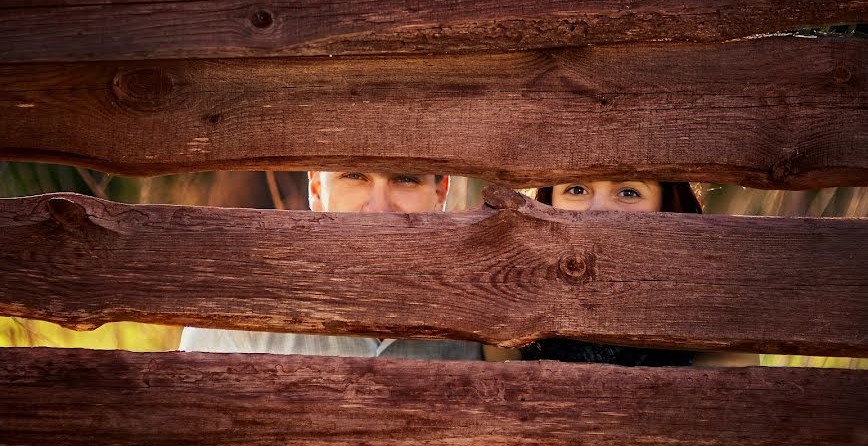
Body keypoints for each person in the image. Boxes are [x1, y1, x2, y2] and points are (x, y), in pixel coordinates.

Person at [179, 171, 484, 360]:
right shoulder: (235, 315)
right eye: (354, 175)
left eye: (405, 178)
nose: (379, 208)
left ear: (440, 193)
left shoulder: (485, 309)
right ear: (315, 188)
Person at [517, 180, 758, 367]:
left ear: (665, 203)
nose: (599, 210)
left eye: (629, 192)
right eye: (576, 189)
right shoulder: (513, 300)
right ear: (547, 200)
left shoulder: (712, 311)